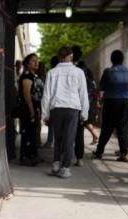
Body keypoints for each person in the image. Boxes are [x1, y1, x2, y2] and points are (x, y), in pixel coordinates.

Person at [41, 46, 89, 179]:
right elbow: (83, 94)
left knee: (58, 138)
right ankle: (65, 168)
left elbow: (46, 95)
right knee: (69, 139)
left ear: (58, 56)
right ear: (71, 56)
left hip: (56, 108)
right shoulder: (78, 72)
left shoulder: (52, 72)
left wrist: (45, 114)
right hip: (72, 109)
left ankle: (56, 163)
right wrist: (84, 113)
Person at [93, 50, 128, 162]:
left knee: (107, 127)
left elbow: (101, 87)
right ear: (122, 60)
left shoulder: (108, 71)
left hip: (111, 100)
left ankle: (99, 152)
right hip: (125, 100)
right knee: (122, 127)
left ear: (111, 59)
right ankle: (124, 153)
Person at [72, 45, 97, 166]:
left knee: (65, 132)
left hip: (70, 104)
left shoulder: (70, 69)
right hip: (83, 103)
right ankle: (79, 158)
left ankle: (61, 157)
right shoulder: (87, 70)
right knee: (79, 132)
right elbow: (93, 87)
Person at [18, 53, 44, 166]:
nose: (36, 62)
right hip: (28, 109)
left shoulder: (35, 76)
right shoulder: (27, 76)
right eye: (33, 61)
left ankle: (33, 155)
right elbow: (26, 93)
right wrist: (32, 110)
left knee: (33, 133)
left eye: (37, 60)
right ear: (27, 64)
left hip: (35, 108)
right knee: (28, 132)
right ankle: (25, 157)